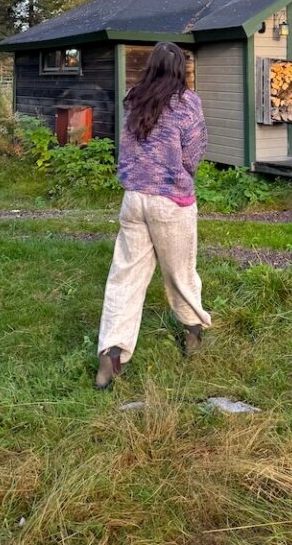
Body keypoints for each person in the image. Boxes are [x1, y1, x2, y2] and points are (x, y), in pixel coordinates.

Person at [95, 41, 211, 390]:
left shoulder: (134, 97)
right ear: (180, 69)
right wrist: (179, 174)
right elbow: (194, 152)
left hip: (133, 198)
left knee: (125, 276)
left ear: (151, 66)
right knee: (180, 274)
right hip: (170, 200)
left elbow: (126, 144)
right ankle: (193, 336)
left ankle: (112, 354)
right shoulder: (187, 103)